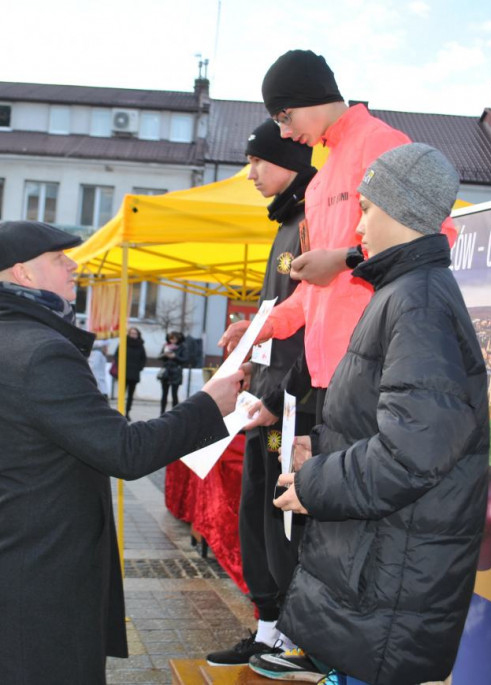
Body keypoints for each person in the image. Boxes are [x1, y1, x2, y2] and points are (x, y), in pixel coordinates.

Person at [0, 220, 243, 684]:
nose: (73, 266)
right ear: (23, 274)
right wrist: (210, 403)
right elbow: (125, 451)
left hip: (6, 564)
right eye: (58, 258)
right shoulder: (40, 351)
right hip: (38, 582)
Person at [250, 145, 489, 684]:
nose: (358, 225)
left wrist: (315, 482)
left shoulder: (418, 303)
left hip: (391, 574)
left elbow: (412, 453)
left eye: (365, 207)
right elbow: (394, 425)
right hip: (379, 566)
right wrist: (327, 448)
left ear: (399, 211)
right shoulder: (404, 292)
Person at [219, 49, 455, 402]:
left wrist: (343, 259)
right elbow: (313, 293)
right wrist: (261, 327)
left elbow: (434, 237)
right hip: (329, 378)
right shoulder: (320, 180)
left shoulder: (378, 142)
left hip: (380, 367)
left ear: (310, 96)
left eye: (284, 117)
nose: (284, 132)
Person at [206, 119, 318, 666]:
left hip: (293, 408)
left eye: (258, 162)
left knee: (283, 520)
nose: (249, 173)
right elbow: (284, 317)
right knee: (256, 515)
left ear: (290, 161)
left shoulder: (312, 221)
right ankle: (270, 629)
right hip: (266, 404)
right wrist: (250, 348)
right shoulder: (284, 223)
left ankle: (298, 637)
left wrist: (282, 399)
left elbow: (319, 326)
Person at [118, 326, 147, 415]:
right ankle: (120, 411)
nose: (133, 335)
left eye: (135, 333)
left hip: (134, 373)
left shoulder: (140, 345)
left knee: (130, 395)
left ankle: (127, 412)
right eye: (132, 333)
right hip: (124, 372)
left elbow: (144, 359)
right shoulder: (123, 343)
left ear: (138, 335)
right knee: (121, 394)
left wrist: (139, 368)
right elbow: (117, 355)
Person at [158, 331, 187, 414]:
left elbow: (185, 359)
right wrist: (165, 355)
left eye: (174, 339)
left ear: (178, 339)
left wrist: (175, 357)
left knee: (174, 394)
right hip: (166, 372)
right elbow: (159, 357)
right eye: (171, 339)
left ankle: (174, 413)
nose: (172, 341)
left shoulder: (182, 347)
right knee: (164, 394)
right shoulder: (166, 346)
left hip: (176, 372)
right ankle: (162, 412)